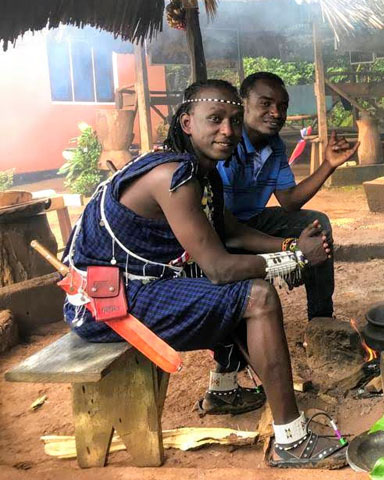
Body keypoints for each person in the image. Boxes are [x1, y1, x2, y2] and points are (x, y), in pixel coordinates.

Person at [62, 79, 347, 468]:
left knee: (236, 288)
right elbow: (219, 267)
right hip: (107, 305)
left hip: (139, 287)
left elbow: (231, 230)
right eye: (214, 119)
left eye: (232, 119)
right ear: (186, 123)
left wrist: (289, 246)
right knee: (255, 295)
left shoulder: (202, 172)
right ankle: (291, 442)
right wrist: (299, 260)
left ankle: (223, 391)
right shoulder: (172, 176)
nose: (227, 131)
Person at [204, 71, 358, 414]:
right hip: (217, 232)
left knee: (316, 225)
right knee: (242, 281)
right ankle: (224, 379)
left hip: (250, 222)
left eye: (282, 106)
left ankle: (321, 324)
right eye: (266, 103)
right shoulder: (225, 144)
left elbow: (288, 201)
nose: (276, 112)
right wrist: (287, 246)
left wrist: (328, 165)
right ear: (243, 104)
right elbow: (226, 229)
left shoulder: (274, 146)